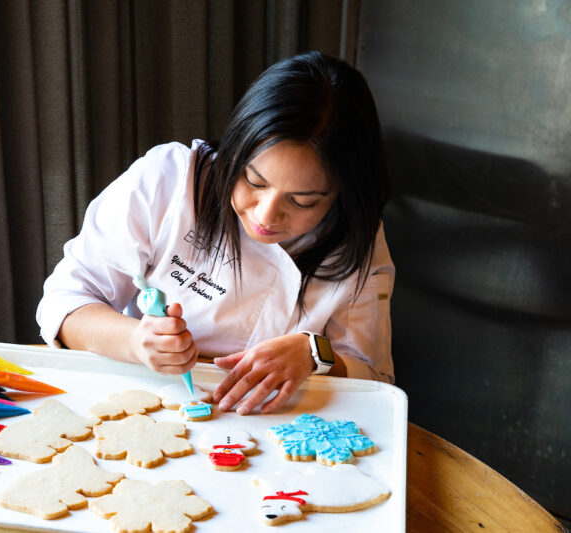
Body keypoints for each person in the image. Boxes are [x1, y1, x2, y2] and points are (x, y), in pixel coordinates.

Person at [37, 51, 394, 415]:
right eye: (253, 180)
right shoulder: (170, 181)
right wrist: (136, 341)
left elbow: (375, 380)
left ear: (341, 194)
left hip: (278, 428)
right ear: (235, 149)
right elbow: (64, 303)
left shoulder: (355, 237)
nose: (265, 214)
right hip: (147, 403)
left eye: (302, 201)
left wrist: (313, 353)